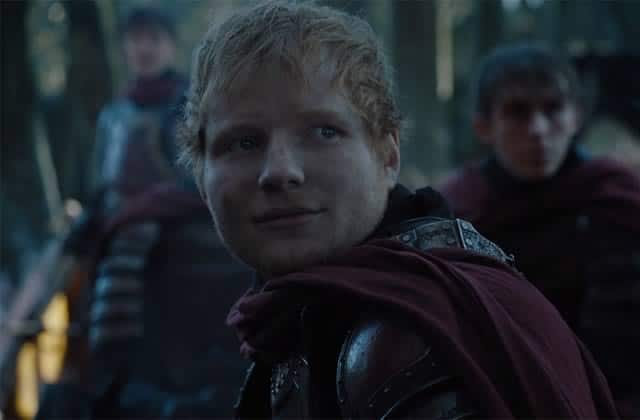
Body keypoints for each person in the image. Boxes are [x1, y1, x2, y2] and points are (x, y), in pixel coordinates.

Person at [177, 2, 618, 418]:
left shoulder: (403, 341)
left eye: (322, 132)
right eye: (244, 142)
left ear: (387, 157)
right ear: (200, 176)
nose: (279, 171)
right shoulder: (302, 312)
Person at [35, 6, 251, 419]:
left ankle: (116, 360)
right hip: (119, 211)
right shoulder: (115, 113)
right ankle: (70, 360)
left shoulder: (183, 104)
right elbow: (104, 181)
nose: (144, 48)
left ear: (169, 45)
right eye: (136, 40)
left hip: (170, 209)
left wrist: (143, 207)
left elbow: (194, 173)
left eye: (153, 39)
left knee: (128, 248)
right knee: (67, 260)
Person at [440, 44, 640, 417]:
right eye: (517, 112)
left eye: (553, 109)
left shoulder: (614, 196)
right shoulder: (459, 209)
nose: (538, 130)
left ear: (575, 117)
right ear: (484, 126)